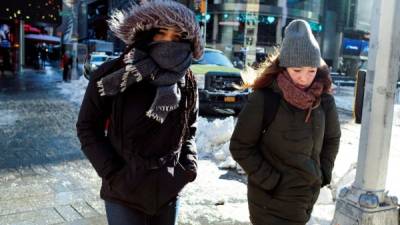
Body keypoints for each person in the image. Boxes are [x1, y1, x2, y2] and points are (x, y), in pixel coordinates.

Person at [76, 1, 203, 225]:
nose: (171, 42)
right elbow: (88, 127)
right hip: (124, 192)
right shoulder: (114, 75)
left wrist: (188, 166)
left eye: (179, 35)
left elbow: (190, 128)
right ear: (147, 34)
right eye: (164, 33)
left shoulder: (187, 80)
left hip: (168, 190)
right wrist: (113, 172)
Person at [229, 19, 341, 225]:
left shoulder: (324, 100)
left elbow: (332, 138)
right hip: (269, 201)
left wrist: (323, 173)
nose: (304, 78)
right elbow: (240, 146)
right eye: (297, 70)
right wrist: (271, 181)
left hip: (306, 197)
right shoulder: (265, 98)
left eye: (311, 70)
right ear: (284, 66)